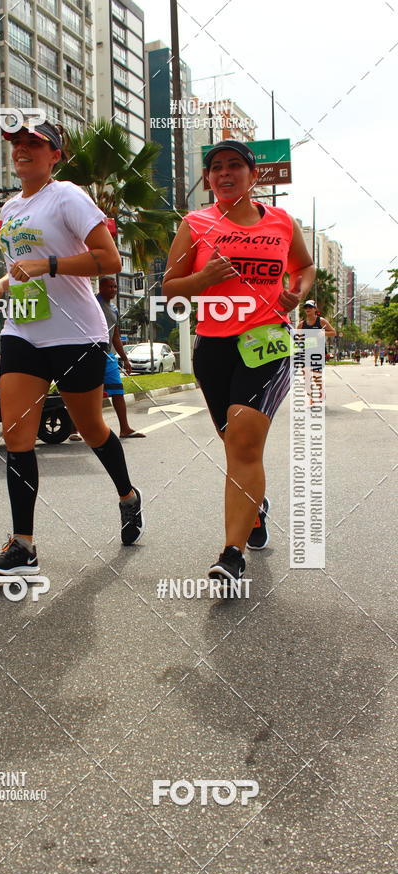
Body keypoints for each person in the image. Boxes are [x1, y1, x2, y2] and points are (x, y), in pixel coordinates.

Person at [0, 119, 144, 577]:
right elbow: (20, 265)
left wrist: (48, 264)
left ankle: (128, 495)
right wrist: (3, 281)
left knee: (91, 429)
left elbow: (109, 260)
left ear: (55, 155)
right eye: (17, 143)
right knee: (16, 435)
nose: (22, 149)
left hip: (76, 333)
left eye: (34, 143)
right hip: (23, 329)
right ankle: (23, 547)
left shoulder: (68, 196)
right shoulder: (11, 207)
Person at [162, 139, 315, 586]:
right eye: (216, 168)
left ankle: (232, 554)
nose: (224, 174)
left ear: (253, 175)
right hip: (214, 347)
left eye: (234, 165)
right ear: (208, 179)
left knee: (245, 443)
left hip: (267, 342)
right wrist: (203, 278)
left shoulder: (282, 222)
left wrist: (296, 292)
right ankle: (256, 508)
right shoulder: (195, 223)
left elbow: (304, 268)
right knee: (234, 446)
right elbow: (170, 287)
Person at [69, 276, 145, 440]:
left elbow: (116, 336)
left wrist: (125, 359)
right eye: (110, 287)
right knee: (84, 392)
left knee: (118, 391)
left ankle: (125, 429)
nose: (113, 290)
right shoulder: (91, 303)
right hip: (89, 355)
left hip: (108, 356)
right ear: (101, 288)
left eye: (115, 287)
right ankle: (75, 430)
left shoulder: (114, 309)